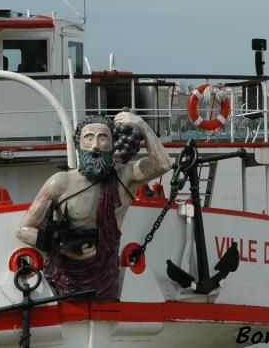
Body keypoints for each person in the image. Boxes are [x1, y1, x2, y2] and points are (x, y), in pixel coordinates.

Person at [16, 111, 172, 300]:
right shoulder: (60, 183)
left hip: (107, 278)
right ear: (78, 145)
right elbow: (23, 230)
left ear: (112, 143)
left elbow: (163, 164)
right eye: (88, 138)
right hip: (66, 279)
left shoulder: (125, 177)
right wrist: (64, 247)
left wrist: (142, 125)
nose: (96, 146)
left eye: (103, 138)